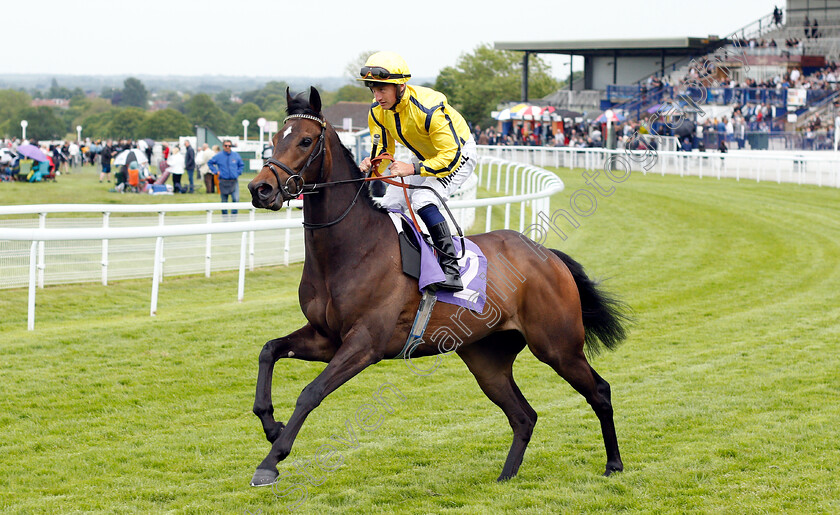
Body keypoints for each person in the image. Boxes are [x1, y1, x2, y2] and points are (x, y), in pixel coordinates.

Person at [357, 51, 477, 292]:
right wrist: (372, 163)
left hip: (458, 154)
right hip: (423, 158)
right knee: (389, 203)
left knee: (423, 199)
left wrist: (412, 168)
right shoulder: (378, 111)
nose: (377, 96)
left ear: (400, 86)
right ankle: (401, 260)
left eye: (382, 89)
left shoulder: (429, 106)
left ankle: (451, 269)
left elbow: (450, 156)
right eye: (373, 89)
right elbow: (383, 148)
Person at [207, 140, 244, 217]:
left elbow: (241, 165)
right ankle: (225, 217)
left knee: (235, 199)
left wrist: (238, 173)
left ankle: (234, 217)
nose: (227, 147)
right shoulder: (219, 156)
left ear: (231, 146)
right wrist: (216, 171)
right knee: (224, 201)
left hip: (234, 181)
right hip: (223, 181)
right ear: (223, 146)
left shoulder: (236, 155)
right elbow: (210, 163)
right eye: (226, 146)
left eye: (229, 146)